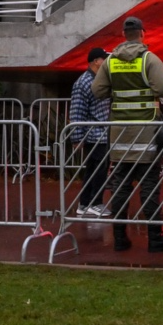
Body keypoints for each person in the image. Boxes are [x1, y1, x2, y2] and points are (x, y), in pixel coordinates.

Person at [91, 16, 163, 253]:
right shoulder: (149, 59)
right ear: (142, 33)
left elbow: (97, 90)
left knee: (120, 187)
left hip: (120, 137)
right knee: (149, 187)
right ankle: (155, 238)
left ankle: (120, 238)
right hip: (146, 135)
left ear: (123, 34)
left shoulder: (110, 62)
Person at [69, 47, 112, 217]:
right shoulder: (84, 82)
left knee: (94, 170)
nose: (107, 62)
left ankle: (86, 203)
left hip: (98, 133)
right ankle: (94, 202)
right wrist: (77, 138)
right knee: (98, 170)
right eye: (104, 59)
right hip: (94, 134)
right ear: (96, 61)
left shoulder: (95, 80)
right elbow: (77, 111)